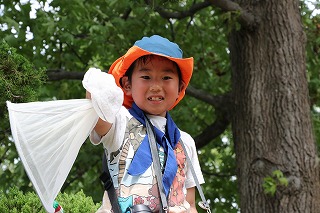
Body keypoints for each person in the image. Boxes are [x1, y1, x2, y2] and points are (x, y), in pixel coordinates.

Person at [82, 35, 204, 213]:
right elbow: (98, 115)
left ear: (180, 88)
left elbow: (191, 204)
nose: (156, 86)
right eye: (146, 77)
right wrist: (96, 85)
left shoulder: (185, 142)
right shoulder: (120, 122)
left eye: (166, 78)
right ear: (127, 84)